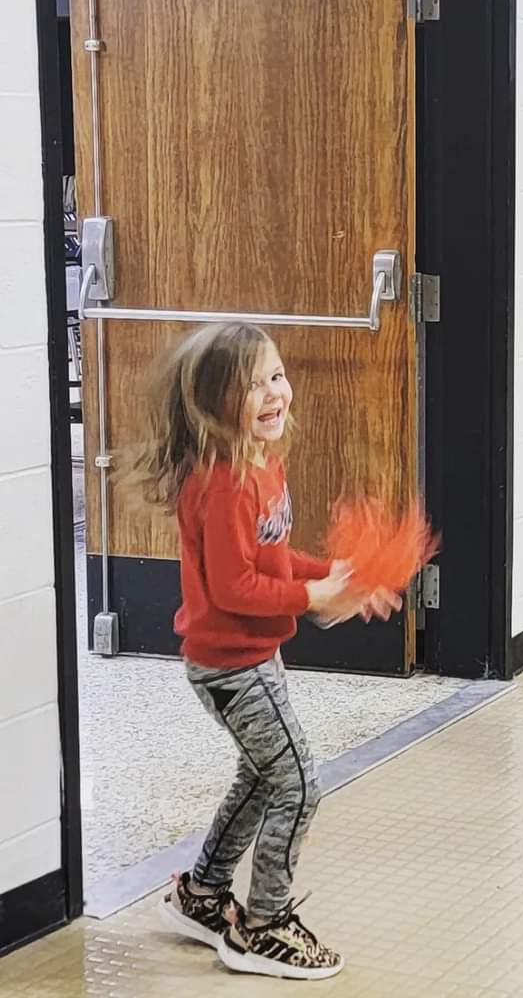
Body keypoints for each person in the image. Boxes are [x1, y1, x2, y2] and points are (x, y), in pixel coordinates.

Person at [129, 322, 399, 981]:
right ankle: (263, 924)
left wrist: (327, 574)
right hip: (230, 665)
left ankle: (202, 894)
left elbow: (269, 559)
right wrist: (309, 598)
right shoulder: (222, 484)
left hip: (250, 658)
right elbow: (234, 586)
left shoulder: (261, 465)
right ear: (217, 403)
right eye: (253, 385)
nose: (275, 393)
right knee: (299, 781)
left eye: (276, 377)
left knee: (262, 775)